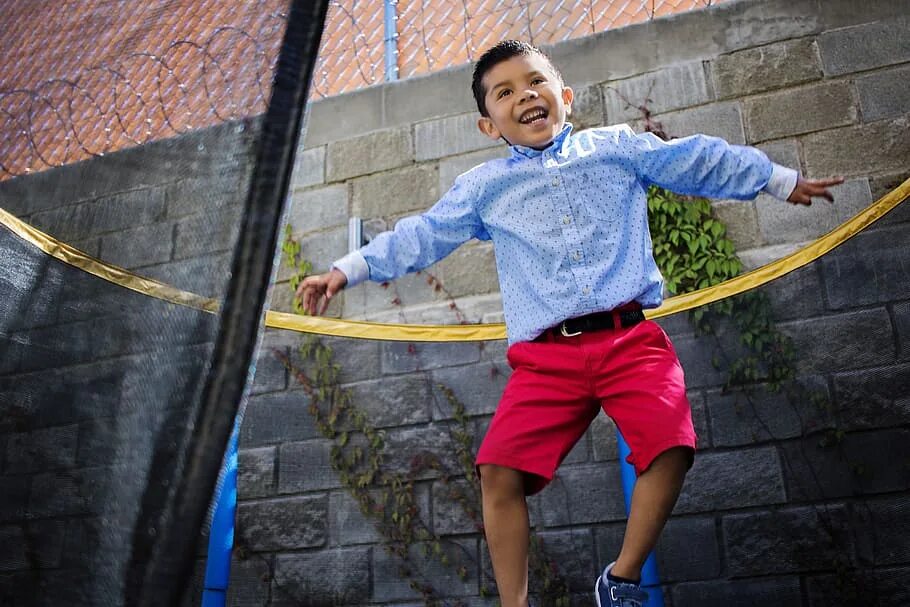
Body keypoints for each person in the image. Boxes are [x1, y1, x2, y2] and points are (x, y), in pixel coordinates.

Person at [297, 40, 843, 607]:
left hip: (630, 338)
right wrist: (347, 269)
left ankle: (622, 579)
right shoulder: (486, 188)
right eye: (505, 93)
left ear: (565, 96)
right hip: (547, 359)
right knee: (498, 471)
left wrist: (776, 179)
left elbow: (696, 158)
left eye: (535, 82)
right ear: (490, 126)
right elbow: (423, 234)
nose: (525, 95)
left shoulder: (615, 149)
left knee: (672, 444)